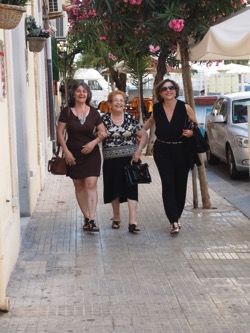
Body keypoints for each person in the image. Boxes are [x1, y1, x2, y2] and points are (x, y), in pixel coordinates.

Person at [144, 79, 199, 235]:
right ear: (159, 93)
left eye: (171, 88)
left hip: (182, 150)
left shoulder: (185, 107)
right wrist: (139, 131)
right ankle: (173, 220)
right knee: (168, 184)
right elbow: (149, 123)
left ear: (176, 90)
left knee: (180, 185)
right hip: (162, 150)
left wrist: (191, 132)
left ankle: (177, 215)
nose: (168, 91)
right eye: (164, 89)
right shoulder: (157, 108)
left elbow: (196, 124)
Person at [57, 81, 107, 232]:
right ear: (74, 94)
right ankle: (86, 217)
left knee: (91, 184)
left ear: (88, 94)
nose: (81, 93)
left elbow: (103, 132)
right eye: (78, 91)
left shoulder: (94, 112)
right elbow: (59, 132)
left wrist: (94, 142)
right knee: (79, 185)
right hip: (73, 153)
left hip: (92, 154)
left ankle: (92, 219)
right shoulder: (66, 112)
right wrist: (66, 151)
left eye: (84, 91)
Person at [101, 90, 148, 233]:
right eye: (115, 100)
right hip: (111, 161)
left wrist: (139, 150)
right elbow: (96, 134)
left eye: (121, 100)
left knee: (131, 190)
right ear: (109, 104)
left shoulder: (130, 118)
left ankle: (132, 221)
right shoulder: (103, 120)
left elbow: (144, 135)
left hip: (129, 160)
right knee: (113, 189)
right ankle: (116, 217)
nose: (119, 103)